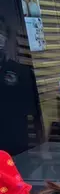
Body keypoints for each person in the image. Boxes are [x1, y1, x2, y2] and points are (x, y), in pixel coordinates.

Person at [0, 15, 43, 156]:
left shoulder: (20, 72)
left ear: (6, 37)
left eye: (1, 32)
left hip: (17, 144)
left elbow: (35, 113)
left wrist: (41, 149)